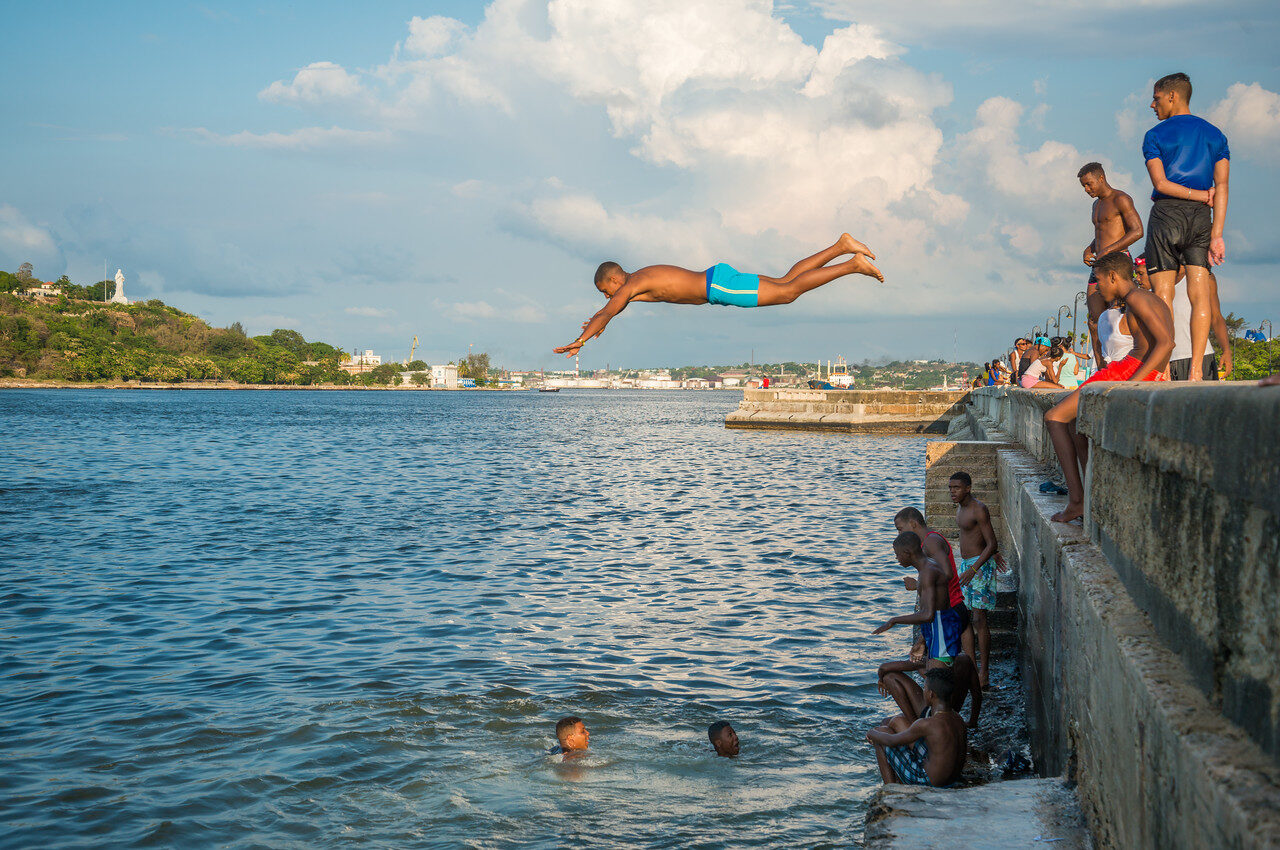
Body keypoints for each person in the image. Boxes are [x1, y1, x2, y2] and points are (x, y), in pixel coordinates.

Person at [554, 234, 882, 356]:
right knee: (786, 281)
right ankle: (841, 246)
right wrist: (599, 324)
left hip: (717, 287)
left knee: (787, 294)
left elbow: (609, 311)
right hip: (717, 279)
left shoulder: (629, 286)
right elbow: (612, 311)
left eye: (604, 290)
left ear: (613, 279)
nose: (606, 296)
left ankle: (852, 265)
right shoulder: (637, 282)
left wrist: (581, 339)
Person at [1044, 252, 1174, 524]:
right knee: (1072, 420)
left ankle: (1077, 500)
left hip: (1128, 369)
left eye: (1100, 280)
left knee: (1054, 417)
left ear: (1114, 276)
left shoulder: (1136, 298)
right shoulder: (1151, 298)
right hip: (1137, 369)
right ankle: (1089, 492)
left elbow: (1165, 343)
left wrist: (1134, 382)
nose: (1099, 287)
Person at [1142, 72, 1230, 381]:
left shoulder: (1154, 135)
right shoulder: (1215, 135)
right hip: (1201, 219)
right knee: (1199, 294)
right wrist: (1217, 234)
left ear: (1172, 97)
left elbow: (1161, 182)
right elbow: (1222, 186)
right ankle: (1195, 371)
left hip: (1167, 215)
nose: (1152, 104)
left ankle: (1164, 368)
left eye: (1156, 98)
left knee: (1162, 294)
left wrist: (1195, 194)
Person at [1079, 162, 1144, 370]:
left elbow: (1137, 231)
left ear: (1101, 178)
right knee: (1095, 320)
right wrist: (1090, 248)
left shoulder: (1120, 199)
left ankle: (1126, 365)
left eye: (1089, 185)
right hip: (1098, 265)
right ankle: (1101, 369)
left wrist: (1108, 250)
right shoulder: (1095, 205)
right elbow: (1101, 233)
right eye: (1084, 187)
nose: (1087, 190)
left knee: (1118, 315)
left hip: (1117, 262)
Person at [893, 506, 975, 662]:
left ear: (913, 523)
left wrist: (918, 584)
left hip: (951, 608)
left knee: (941, 666)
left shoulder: (931, 542)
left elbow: (947, 574)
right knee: (956, 665)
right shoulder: (926, 543)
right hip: (950, 608)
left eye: (900, 529)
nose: (899, 534)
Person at [866, 667, 968, 787]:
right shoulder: (958, 719)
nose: (923, 691)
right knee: (895, 724)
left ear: (931, 694)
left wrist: (871, 732)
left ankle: (891, 790)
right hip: (952, 779)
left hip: (928, 781)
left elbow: (891, 741)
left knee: (881, 735)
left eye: (924, 688)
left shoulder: (928, 723)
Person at [949, 471, 1005, 689]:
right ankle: (971, 667)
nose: (952, 492)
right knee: (965, 617)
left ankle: (984, 672)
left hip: (978, 568)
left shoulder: (978, 508)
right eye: (950, 488)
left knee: (979, 619)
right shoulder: (960, 507)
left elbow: (992, 542)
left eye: (957, 488)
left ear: (968, 488)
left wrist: (975, 567)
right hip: (967, 566)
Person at [872, 532, 962, 666]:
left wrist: (894, 620)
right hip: (940, 630)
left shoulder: (927, 573)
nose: (897, 558)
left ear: (908, 553)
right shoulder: (928, 566)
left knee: (937, 679)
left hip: (942, 633)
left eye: (897, 554)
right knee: (925, 670)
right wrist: (922, 641)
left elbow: (928, 615)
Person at [878, 653, 982, 729]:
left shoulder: (935, 659)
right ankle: (914, 725)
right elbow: (977, 695)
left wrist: (881, 680)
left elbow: (884, 668)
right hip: (950, 712)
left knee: (889, 678)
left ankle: (914, 727)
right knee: (888, 721)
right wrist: (972, 723)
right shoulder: (966, 660)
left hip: (933, 713)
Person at [1169, 269, 1232, 381]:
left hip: (1200, 358)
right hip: (1166, 360)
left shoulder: (1204, 276)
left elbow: (1216, 317)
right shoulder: (1158, 280)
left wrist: (1226, 350)